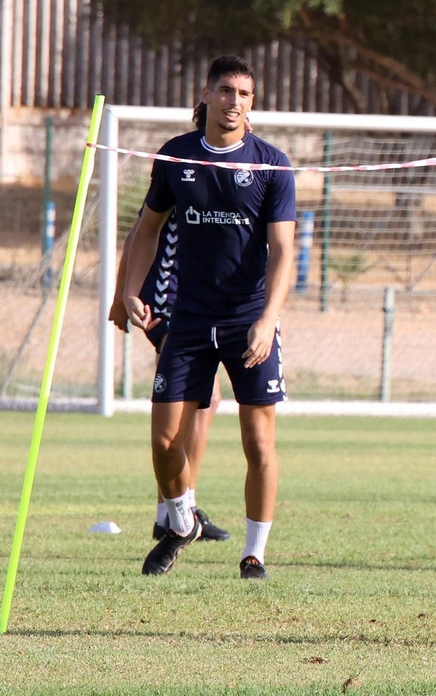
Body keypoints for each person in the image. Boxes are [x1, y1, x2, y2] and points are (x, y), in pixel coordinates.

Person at [123, 56, 296, 581]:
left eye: (244, 94)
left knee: (258, 441)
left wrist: (268, 320)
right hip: (189, 320)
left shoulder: (271, 163)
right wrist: (130, 289)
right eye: (226, 91)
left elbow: (284, 252)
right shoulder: (175, 157)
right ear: (207, 94)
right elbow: (147, 228)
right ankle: (182, 520)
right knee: (162, 442)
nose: (234, 102)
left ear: (252, 102)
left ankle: (254, 555)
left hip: (248, 321)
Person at [111, 206, 230, 543]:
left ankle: (176, 511)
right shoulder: (179, 168)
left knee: (207, 402)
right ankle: (174, 515)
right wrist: (123, 295)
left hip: (194, 300)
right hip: (165, 301)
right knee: (190, 405)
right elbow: (138, 234)